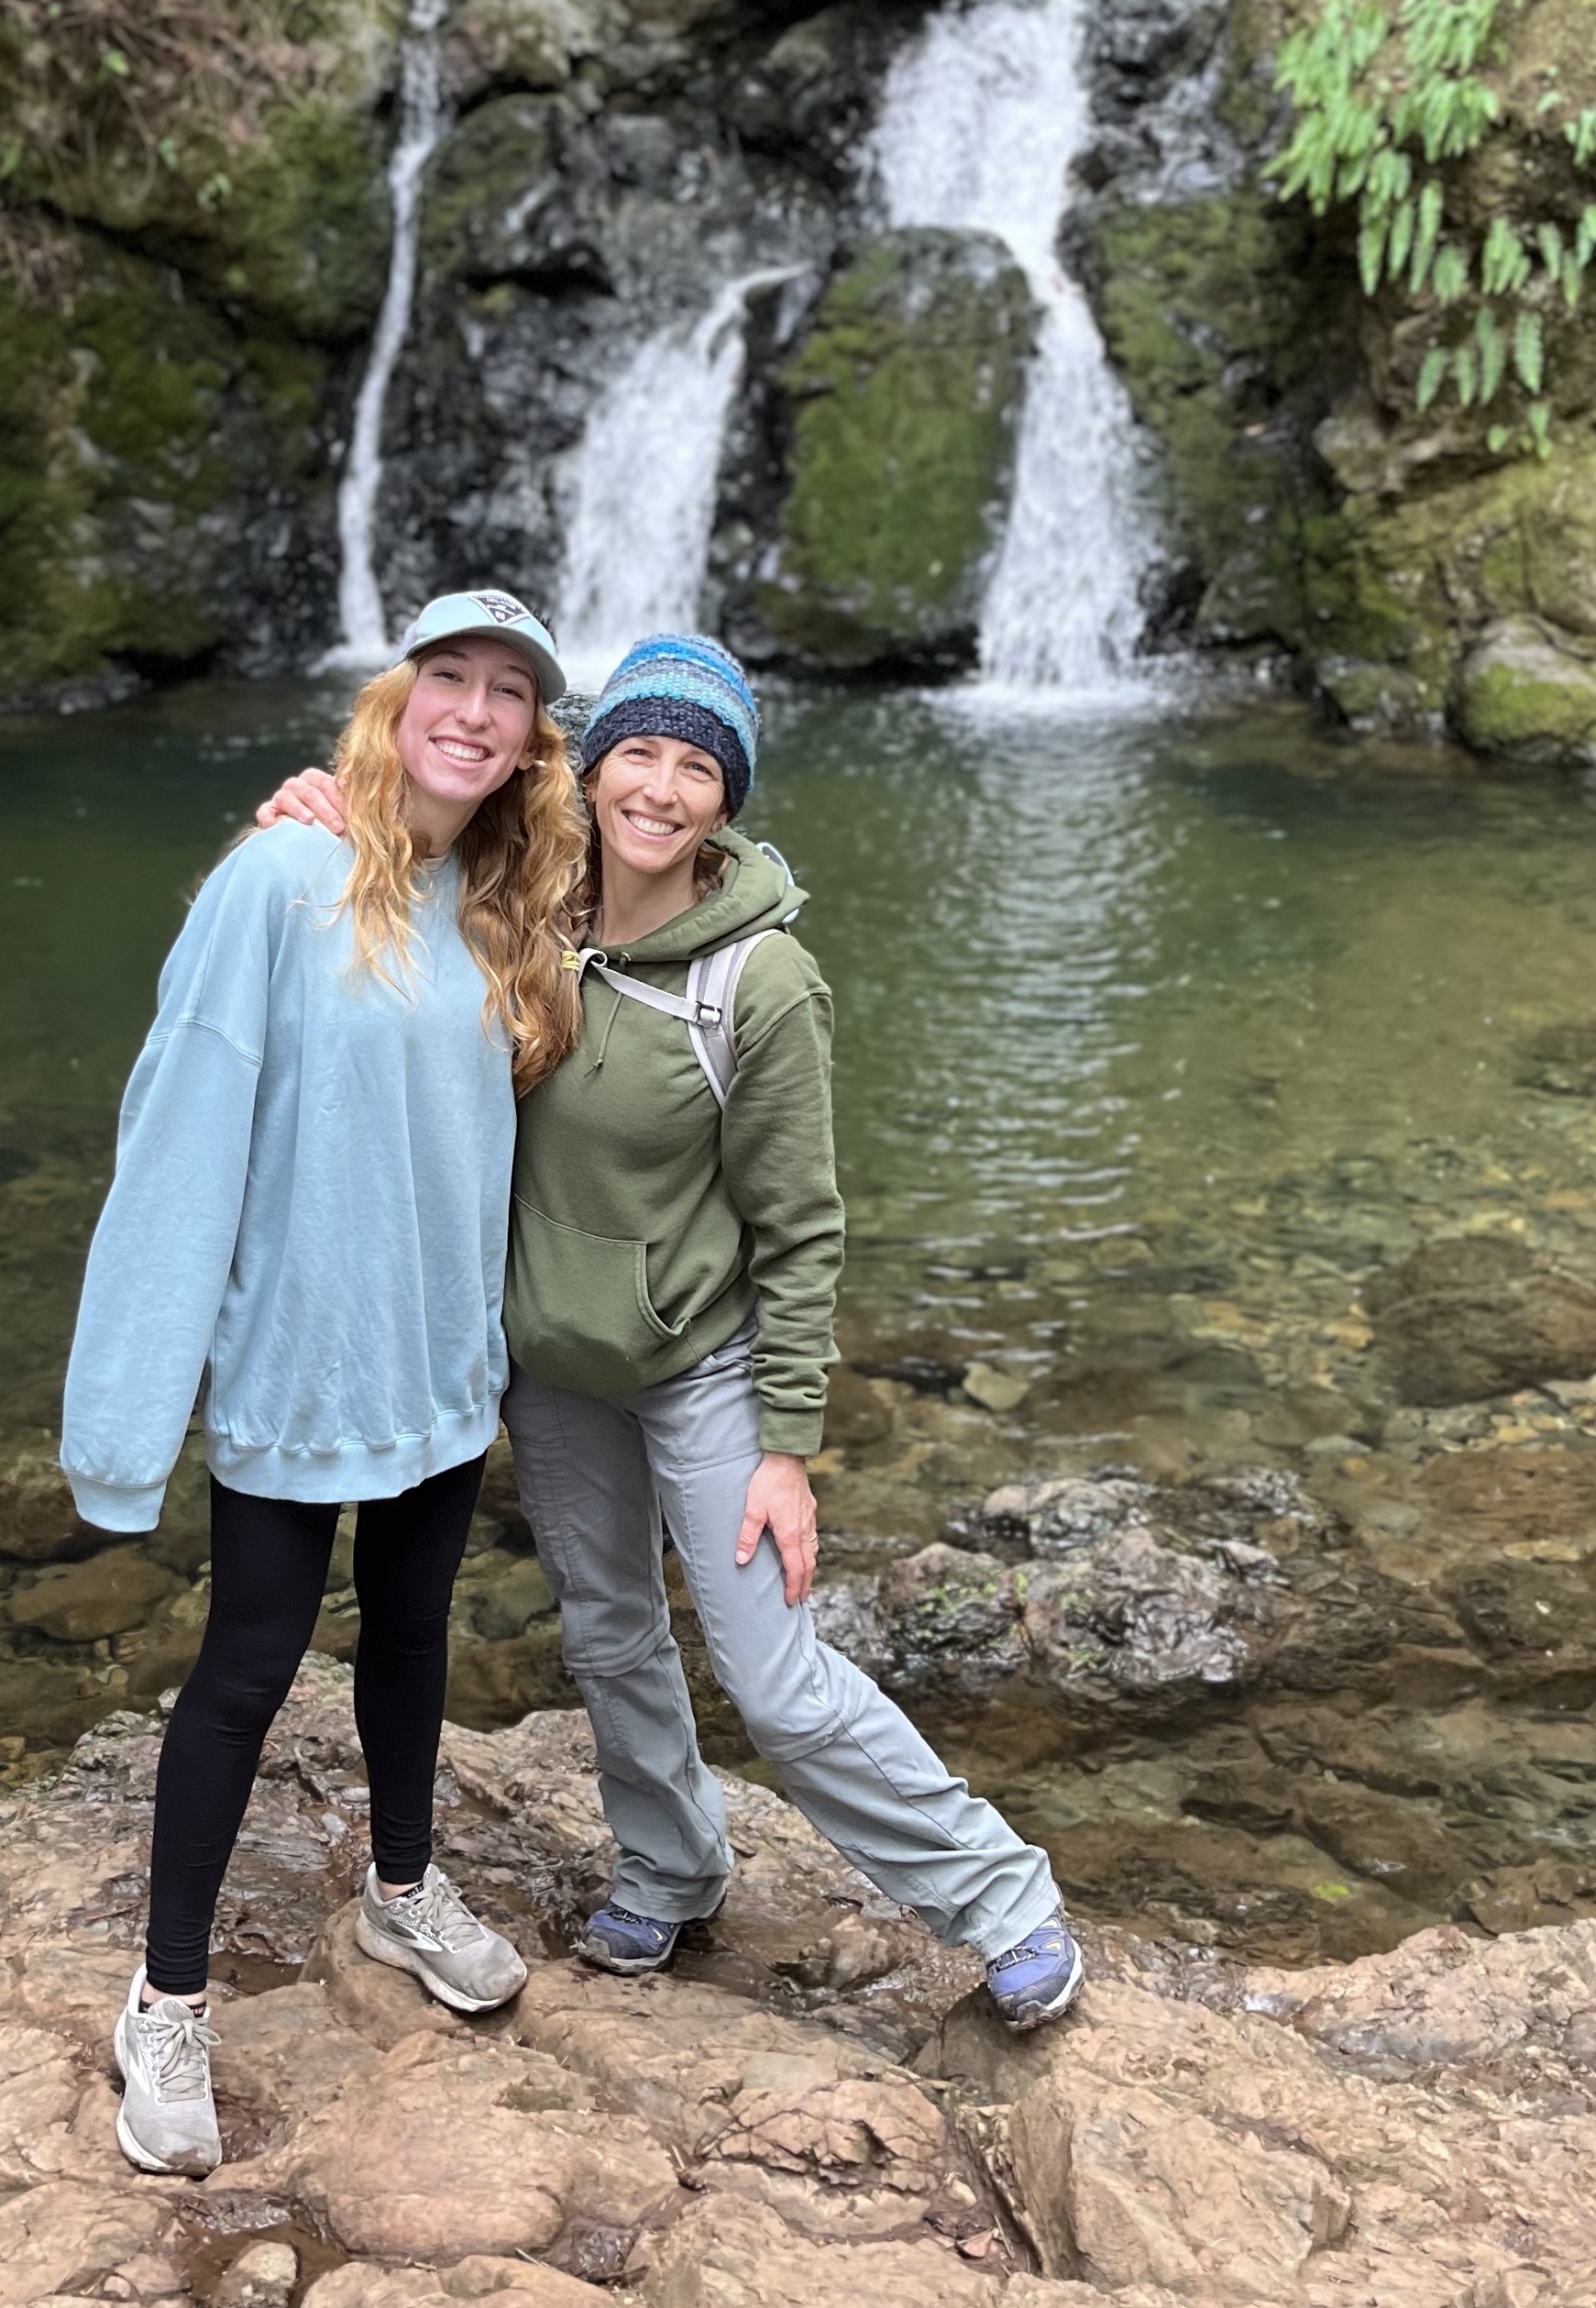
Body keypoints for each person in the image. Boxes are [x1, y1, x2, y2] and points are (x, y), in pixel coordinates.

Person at [258, 631, 1085, 2028]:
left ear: (726, 800)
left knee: (777, 1678)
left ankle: (1003, 1900)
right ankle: (671, 1867)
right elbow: (381, 886)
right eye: (636, 751)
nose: (659, 787)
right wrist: (307, 811)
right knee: (611, 1636)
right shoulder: (519, 903)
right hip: (556, 1366)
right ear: (589, 763)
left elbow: (804, 1228)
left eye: (697, 767)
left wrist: (789, 1444)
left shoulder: (763, 983)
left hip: (703, 1365)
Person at [61, 591, 587, 2173]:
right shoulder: (281, 878)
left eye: (510, 694)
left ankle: (404, 1887)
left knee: (416, 1632)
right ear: (399, 694)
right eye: (452, 678)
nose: (476, 711)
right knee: (246, 1667)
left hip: (436, 1361)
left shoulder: (508, 909)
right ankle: (164, 2000)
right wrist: (128, 1418)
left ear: (527, 746)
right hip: (301, 1359)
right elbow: (178, 1139)